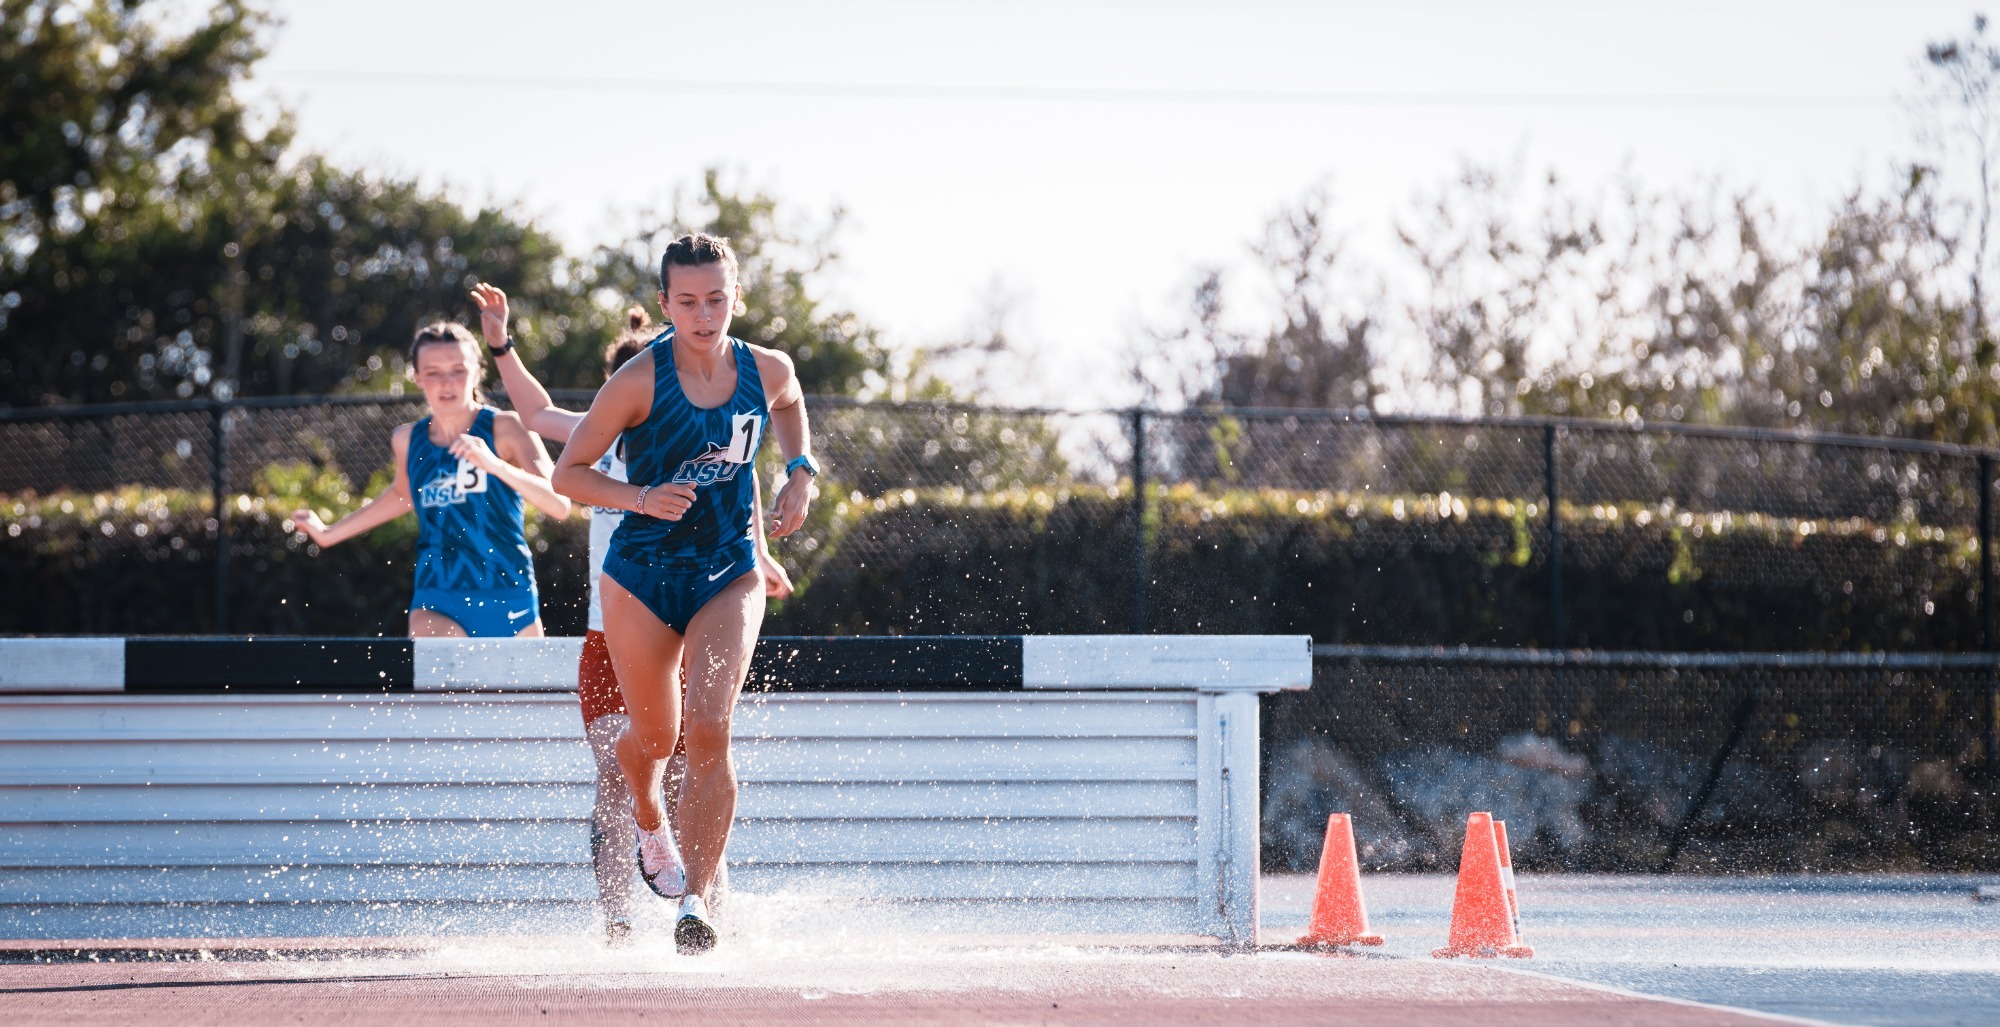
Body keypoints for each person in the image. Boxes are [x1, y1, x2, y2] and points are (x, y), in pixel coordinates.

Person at [476, 285, 792, 945]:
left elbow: (740, 477)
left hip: (687, 614)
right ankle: (617, 922)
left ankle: (704, 909)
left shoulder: (699, 432)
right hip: (612, 626)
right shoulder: (601, 437)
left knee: (698, 754)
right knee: (620, 774)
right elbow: (534, 411)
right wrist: (501, 343)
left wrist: (759, 552)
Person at [552, 233, 818, 954]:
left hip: (727, 571)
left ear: (736, 298)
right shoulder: (637, 380)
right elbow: (567, 475)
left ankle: (694, 904)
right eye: (689, 301)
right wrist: (640, 497)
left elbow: (790, 401)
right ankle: (648, 818)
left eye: (717, 300)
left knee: (709, 726)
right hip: (640, 578)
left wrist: (799, 470)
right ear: (665, 303)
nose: (704, 315)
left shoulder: (766, 367)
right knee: (655, 741)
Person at [290, 322, 570, 636]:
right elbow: (401, 496)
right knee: (445, 661)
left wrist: (496, 467)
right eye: (434, 372)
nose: (446, 382)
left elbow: (559, 504)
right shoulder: (408, 440)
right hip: (437, 597)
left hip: (509, 594)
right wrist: (328, 534)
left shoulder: (506, 428)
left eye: (458, 370)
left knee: (515, 672)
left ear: (477, 373)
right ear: (418, 378)